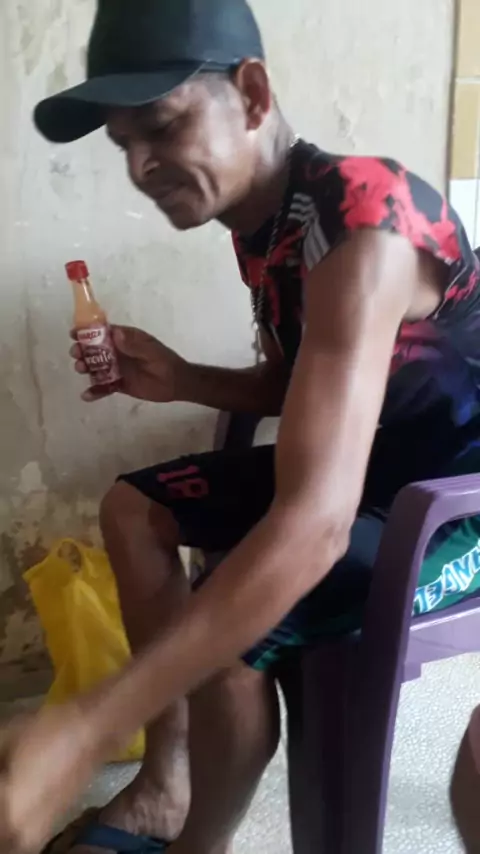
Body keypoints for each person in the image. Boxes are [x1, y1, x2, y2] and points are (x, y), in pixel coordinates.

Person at [3, 0, 480, 852]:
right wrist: (183, 379)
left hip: (452, 501)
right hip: (368, 466)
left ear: (252, 94)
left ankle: (202, 844)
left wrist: (79, 732)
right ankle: (165, 786)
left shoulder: (366, 220)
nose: (141, 166)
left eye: (161, 126)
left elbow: (315, 525)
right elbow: (306, 386)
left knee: (227, 633)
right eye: (123, 145)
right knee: (133, 509)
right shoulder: (263, 223)